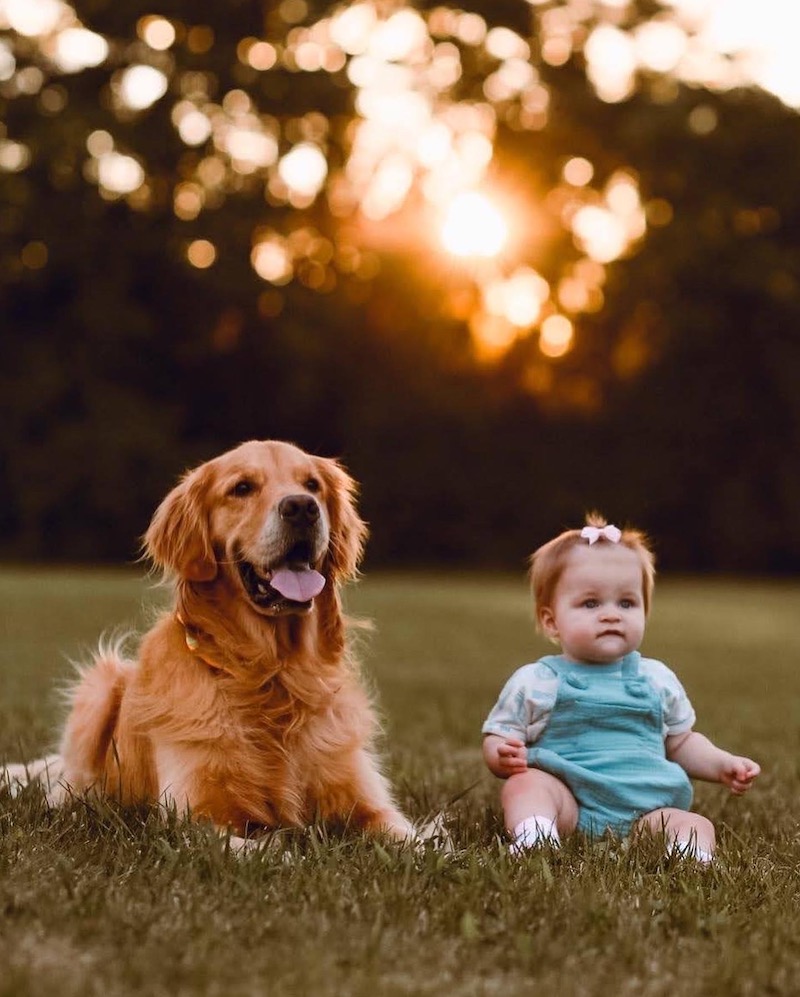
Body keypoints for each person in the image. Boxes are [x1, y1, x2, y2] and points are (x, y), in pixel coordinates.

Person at [482, 515, 760, 863]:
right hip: (568, 800)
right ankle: (537, 836)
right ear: (552, 621)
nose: (611, 615)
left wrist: (721, 765)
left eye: (626, 603)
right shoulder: (538, 681)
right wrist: (501, 755)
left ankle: (691, 859)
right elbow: (499, 735)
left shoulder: (656, 679)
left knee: (694, 823)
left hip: (647, 808)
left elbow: (681, 742)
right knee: (524, 785)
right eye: (591, 603)